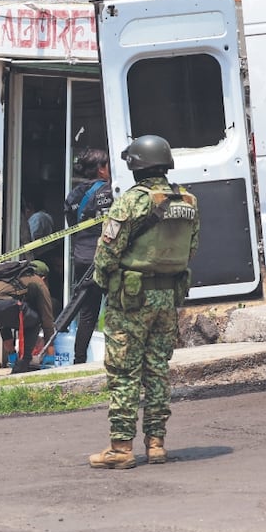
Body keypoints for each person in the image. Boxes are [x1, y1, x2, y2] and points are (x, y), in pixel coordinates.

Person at [89, 135, 199, 469]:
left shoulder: (131, 202)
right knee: (156, 370)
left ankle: (121, 448)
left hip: (132, 299)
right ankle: (156, 444)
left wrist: (102, 279)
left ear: (136, 166)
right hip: (168, 296)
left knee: (123, 371)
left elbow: (108, 251)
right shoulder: (189, 200)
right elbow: (191, 248)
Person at [64, 148, 114, 364]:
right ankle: (114, 358)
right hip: (107, 257)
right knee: (115, 309)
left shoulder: (73, 195)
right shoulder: (111, 191)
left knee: (87, 313)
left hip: (82, 257)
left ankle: (78, 360)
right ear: (101, 169)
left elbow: (72, 225)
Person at [0, 261, 56, 372]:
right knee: (35, 319)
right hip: (0, 305)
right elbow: (47, 320)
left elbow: (2, 321)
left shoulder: (9, 278)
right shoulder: (38, 281)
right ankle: (22, 363)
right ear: (43, 277)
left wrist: (11, 352)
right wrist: (51, 355)